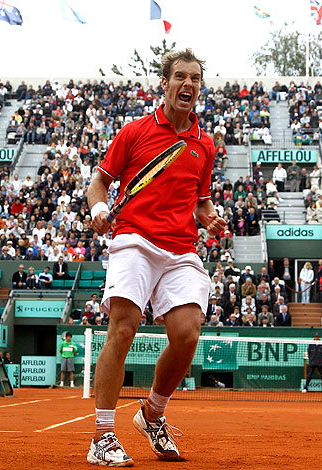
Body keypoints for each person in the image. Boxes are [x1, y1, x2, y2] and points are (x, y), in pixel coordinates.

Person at [85, 49, 226, 466]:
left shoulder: (204, 144)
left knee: (187, 334)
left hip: (181, 248)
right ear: (164, 84)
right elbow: (100, 182)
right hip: (135, 240)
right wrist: (97, 209)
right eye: (180, 76)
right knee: (123, 328)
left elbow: (199, 203)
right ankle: (102, 436)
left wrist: (209, 217)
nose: (188, 84)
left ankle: (152, 414)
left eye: (195, 78)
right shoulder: (134, 132)